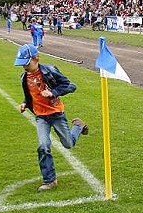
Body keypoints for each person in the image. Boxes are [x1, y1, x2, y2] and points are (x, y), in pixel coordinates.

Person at [14, 44, 88, 191]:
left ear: (36, 59)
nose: (24, 67)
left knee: (68, 144)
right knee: (43, 146)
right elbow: (30, 96)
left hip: (56, 114)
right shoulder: (24, 78)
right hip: (41, 117)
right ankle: (50, 180)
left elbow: (70, 85)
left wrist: (53, 92)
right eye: (22, 64)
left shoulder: (50, 71)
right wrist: (24, 104)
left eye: (27, 63)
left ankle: (78, 126)